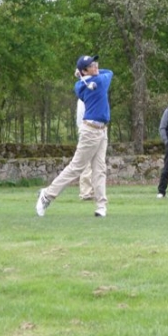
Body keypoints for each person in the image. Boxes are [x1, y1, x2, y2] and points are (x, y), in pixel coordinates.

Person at [36, 55, 113, 217]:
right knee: (76, 167)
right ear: (85, 71)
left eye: (95, 63)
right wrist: (87, 77)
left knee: (100, 169)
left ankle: (101, 206)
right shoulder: (97, 82)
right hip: (90, 131)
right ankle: (48, 194)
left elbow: (102, 73)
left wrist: (83, 75)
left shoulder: (82, 84)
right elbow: (110, 72)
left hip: (102, 130)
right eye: (92, 65)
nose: (96, 66)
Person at [76, 98, 94, 201]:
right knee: (86, 164)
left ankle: (92, 191)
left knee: (95, 164)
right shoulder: (83, 100)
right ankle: (86, 192)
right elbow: (81, 119)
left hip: (91, 131)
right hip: (86, 132)